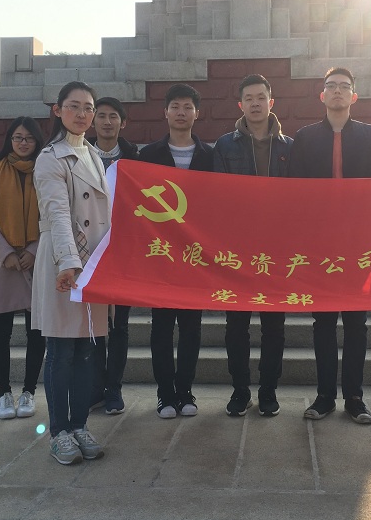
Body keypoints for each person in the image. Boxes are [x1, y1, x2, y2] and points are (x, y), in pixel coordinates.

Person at [288, 66, 371, 425]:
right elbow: (295, 189)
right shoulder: (304, 138)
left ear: (354, 96)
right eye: (331, 86)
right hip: (319, 244)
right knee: (324, 321)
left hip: (357, 243)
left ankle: (355, 397)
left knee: (357, 321)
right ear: (322, 95)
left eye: (344, 86)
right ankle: (325, 396)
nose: (337, 91)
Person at [32, 81, 110, 465]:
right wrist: (69, 262)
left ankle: (80, 425)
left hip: (93, 262)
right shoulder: (50, 158)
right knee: (61, 349)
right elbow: (58, 214)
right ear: (58, 110)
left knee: (86, 349)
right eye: (74, 106)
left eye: (88, 108)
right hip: (64, 260)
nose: (82, 114)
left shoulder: (94, 155)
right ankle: (59, 432)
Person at [213, 74, 292, 417]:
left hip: (277, 250)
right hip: (238, 250)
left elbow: (302, 199)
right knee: (236, 326)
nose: (256, 103)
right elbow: (217, 196)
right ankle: (240, 390)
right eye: (249, 98)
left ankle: (269, 391)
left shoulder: (290, 147)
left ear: (271, 102)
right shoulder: (224, 146)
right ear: (240, 105)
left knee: (274, 327)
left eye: (261, 97)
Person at [139, 83, 214, 418]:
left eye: (188, 107)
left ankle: (185, 392)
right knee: (161, 327)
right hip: (161, 255)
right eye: (175, 107)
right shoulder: (148, 155)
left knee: (191, 328)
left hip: (196, 255)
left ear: (197, 113)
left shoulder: (210, 156)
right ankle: (165, 395)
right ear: (165, 112)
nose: (181, 113)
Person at [0, 116, 46, 420]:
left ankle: (29, 392)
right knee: (1, 331)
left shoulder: (45, 171)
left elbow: (52, 215)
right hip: (3, 262)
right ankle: (3, 393)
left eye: (28, 138)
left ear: (37, 141)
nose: (23, 143)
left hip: (35, 262)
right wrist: (5, 252)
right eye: (18, 137)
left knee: (37, 331)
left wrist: (33, 250)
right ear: (10, 140)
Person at [89, 96, 139, 416]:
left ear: (123, 122)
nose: (107, 122)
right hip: (90, 249)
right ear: (93, 121)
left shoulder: (135, 158)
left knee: (119, 325)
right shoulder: (81, 156)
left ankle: (114, 388)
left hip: (123, 253)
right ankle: (95, 387)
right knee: (94, 324)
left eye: (113, 117)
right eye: (102, 116)